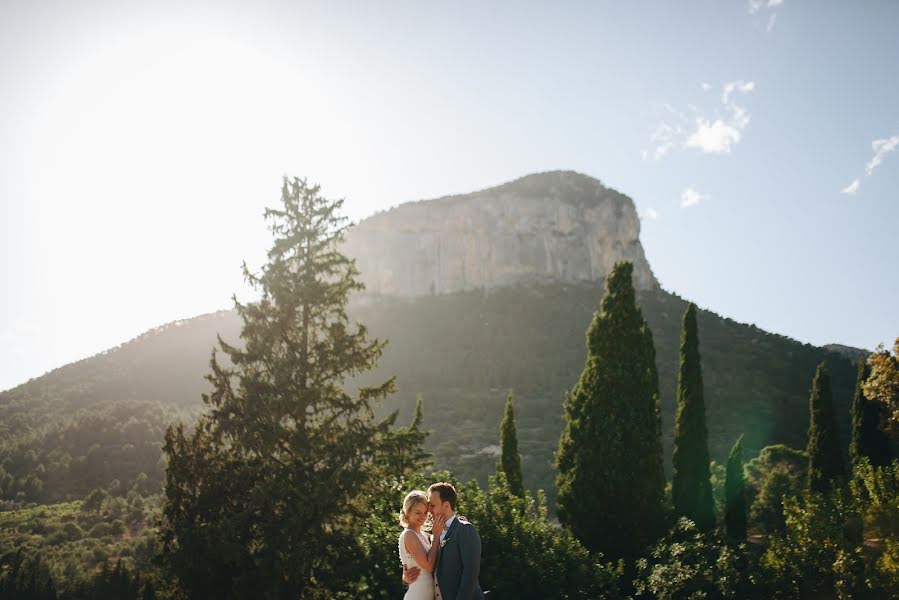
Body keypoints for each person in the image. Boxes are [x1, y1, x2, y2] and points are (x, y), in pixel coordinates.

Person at [403, 482, 485, 599]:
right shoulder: (432, 537)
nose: (429, 510)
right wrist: (406, 580)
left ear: (446, 505)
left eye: (433, 506)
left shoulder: (465, 529)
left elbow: (470, 574)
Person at [399, 490, 445, 600]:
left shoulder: (423, 535)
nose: (423, 517)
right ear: (408, 512)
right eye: (418, 512)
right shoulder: (409, 534)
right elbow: (429, 566)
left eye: (425, 512)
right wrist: (436, 535)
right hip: (418, 594)